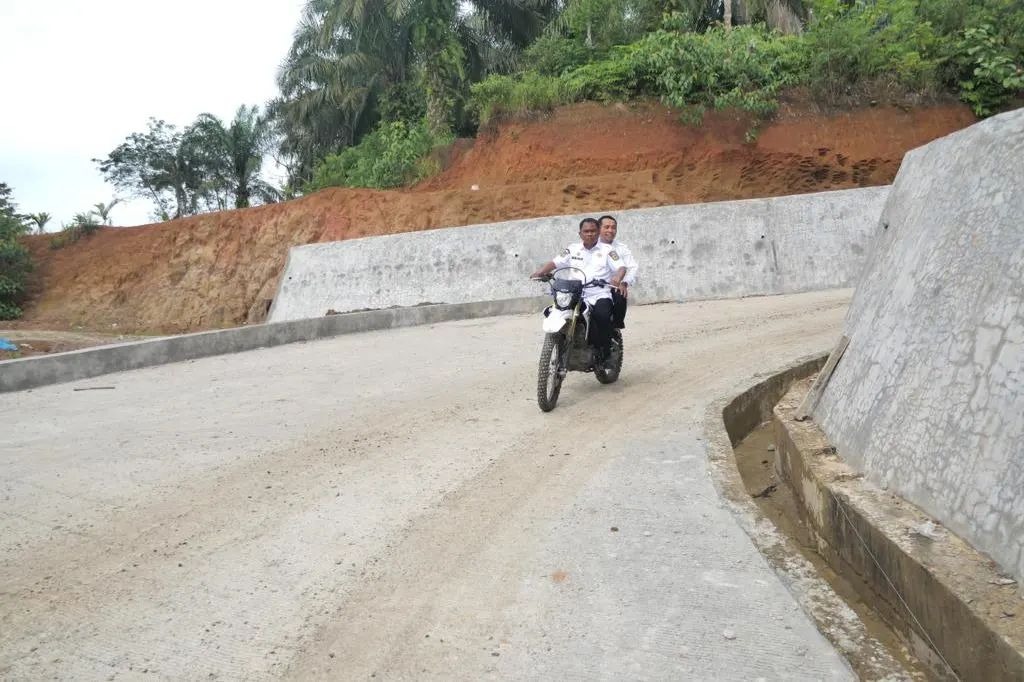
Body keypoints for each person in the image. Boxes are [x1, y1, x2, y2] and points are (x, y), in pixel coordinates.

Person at [531, 218, 626, 366]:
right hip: (575, 294)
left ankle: (606, 354)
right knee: (554, 311)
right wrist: (540, 272)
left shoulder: (608, 250)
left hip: (598, 294)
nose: (590, 234)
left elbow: (621, 267)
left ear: (598, 232)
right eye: (586, 231)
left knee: (603, 316)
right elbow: (555, 263)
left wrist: (617, 278)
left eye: (593, 231)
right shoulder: (572, 249)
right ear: (580, 233)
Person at [598, 215, 638, 329]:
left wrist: (624, 282)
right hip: (593, 285)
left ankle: (615, 327)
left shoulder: (621, 248)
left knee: (620, 294)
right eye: (606, 227)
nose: (610, 230)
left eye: (613, 227)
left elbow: (632, 267)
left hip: (613, 285)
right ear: (599, 229)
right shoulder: (590, 246)